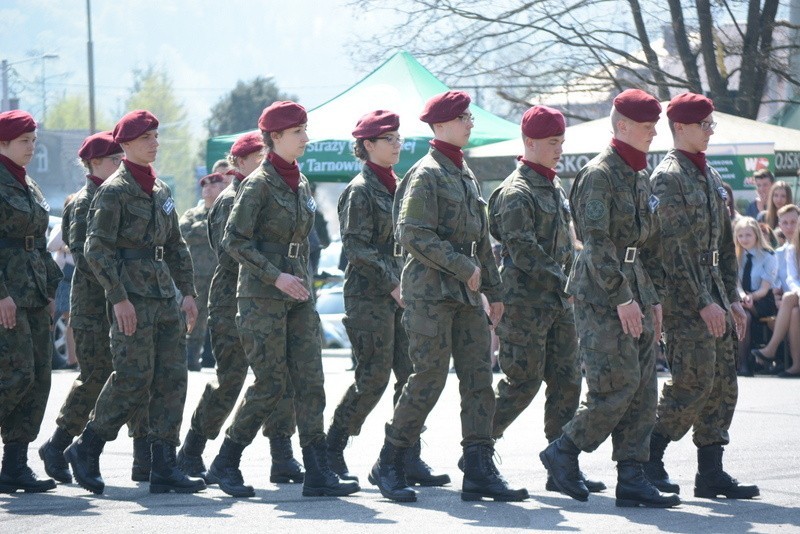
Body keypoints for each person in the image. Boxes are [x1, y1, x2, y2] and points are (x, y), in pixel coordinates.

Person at [370, 91, 528, 503]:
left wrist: (494, 290)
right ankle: (391, 459)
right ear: (440, 126)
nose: (469, 123)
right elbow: (413, 234)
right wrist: (465, 267)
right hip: (430, 295)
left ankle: (478, 466)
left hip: (466, 295)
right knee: (428, 378)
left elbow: (480, 240)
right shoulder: (426, 174)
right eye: (462, 118)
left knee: (479, 378)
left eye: (469, 116)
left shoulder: (463, 173)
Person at [206, 101, 359, 499]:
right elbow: (233, 240)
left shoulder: (301, 182)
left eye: (305, 130)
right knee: (270, 383)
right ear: (275, 138)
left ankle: (317, 469)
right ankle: (226, 459)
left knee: (310, 381)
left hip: (299, 293)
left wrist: (299, 279)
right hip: (262, 296)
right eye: (298, 132)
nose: (306, 138)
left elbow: (302, 242)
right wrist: (275, 275)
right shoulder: (257, 184)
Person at [539, 89, 680, 508]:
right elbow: (597, 244)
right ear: (621, 126)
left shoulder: (637, 174)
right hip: (602, 292)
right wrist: (622, 297)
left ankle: (632, 476)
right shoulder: (599, 174)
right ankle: (563, 450)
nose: (655, 132)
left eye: (655, 124)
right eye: (646, 125)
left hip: (632, 284)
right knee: (615, 386)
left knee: (642, 388)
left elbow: (644, 244)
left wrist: (650, 298)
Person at [64, 110, 205, 495]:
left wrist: (188, 292)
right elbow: (96, 249)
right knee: (131, 377)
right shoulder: (114, 190)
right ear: (124, 146)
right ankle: (87, 447)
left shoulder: (160, 190)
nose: (154, 143)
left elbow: (176, 245)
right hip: (132, 298)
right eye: (146, 138)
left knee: (172, 379)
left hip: (163, 296)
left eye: (156, 136)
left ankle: (163, 465)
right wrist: (118, 298)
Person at [645, 92, 758, 500]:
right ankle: (649, 458)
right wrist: (702, 301)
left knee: (724, 382)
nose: (711, 130)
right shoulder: (667, 177)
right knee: (693, 381)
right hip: (683, 298)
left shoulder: (710, 177)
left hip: (713, 293)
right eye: (704, 124)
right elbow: (673, 250)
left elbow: (725, 247)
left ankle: (711, 472)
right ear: (681, 128)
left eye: (711, 124)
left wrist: (732, 296)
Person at [487, 105, 604, 494]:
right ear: (530, 142)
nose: (559, 149)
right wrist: (568, 282)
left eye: (561, 142)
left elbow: (563, 246)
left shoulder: (552, 185)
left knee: (567, 382)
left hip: (557, 303)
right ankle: (478, 449)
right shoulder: (515, 192)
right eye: (552, 143)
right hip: (525, 305)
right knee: (522, 382)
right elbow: (524, 251)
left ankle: (561, 461)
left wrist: (571, 278)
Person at [326, 110, 447, 488]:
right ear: (367, 146)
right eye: (389, 139)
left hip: (404, 295)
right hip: (370, 297)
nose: (398, 144)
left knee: (410, 377)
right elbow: (357, 247)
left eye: (398, 138)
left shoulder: (399, 186)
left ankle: (406, 455)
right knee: (372, 378)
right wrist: (392, 283)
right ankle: (332, 449)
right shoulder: (360, 190)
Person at [177, 131, 304, 484]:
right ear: (239, 162)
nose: (266, 161)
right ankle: (191, 451)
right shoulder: (231, 200)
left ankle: (282, 454)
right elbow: (229, 252)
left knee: (278, 378)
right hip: (232, 301)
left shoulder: (273, 192)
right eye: (258, 156)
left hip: (269, 299)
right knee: (230, 380)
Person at [38, 132, 149, 485]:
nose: (120, 165)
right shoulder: (84, 201)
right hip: (93, 305)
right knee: (97, 378)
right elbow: (86, 255)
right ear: (93, 163)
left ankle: (144, 456)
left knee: (134, 373)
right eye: (113, 160)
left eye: (121, 159)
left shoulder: (120, 195)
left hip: (122, 301)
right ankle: (58, 446)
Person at [0, 110, 62, 494]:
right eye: (24, 141)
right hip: (8, 293)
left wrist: (50, 289)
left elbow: (39, 242)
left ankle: (15, 465)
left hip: (34, 291)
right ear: (3, 142)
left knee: (39, 376)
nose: (32, 147)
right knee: (14, 374)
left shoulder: (30, 185)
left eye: (34, 140)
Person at [179, 172, 226, 370]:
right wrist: (206, 227)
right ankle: (190, 357)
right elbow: (183, 232)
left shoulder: (226, 211)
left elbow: (224, 232)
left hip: (220, 273)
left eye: (213, 186)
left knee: (220, 315)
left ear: (222, 188)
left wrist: (201, 230)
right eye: (205, 186)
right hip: (196, 274)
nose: (208, 189)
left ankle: (217, 357)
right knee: (194, 315)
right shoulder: (192, 213)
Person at [750, 205, 800, 374]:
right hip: (792, 302)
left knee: (789, 301)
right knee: (793, 312)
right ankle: (796, 364)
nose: (789, 227)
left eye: (794, 222)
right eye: (785, 223)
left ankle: (771, 349)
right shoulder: (783, 252)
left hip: (791, 298)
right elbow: (785, 280)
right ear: (779, 224)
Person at [734, 217, 778, 376]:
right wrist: (742, 295)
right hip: (743, 299)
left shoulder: (768, 255)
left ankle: (746, 362)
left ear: (756, 235)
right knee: (743, 315)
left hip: (762, 300)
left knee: (746, 310)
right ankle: (743, 363)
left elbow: (765, 289)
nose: (744, 239)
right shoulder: (736, 256)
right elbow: (736, 283)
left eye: (748, 235)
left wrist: (751, 297)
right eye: (740, 236)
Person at [47, 198, 77, 369]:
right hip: (63, 277)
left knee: (72, 321)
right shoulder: (61, 226)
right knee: (62, 318)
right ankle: (71, 359)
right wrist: (67, 246)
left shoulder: (81, 224)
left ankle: (74, 359)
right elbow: (51, 245)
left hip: (75, 275)